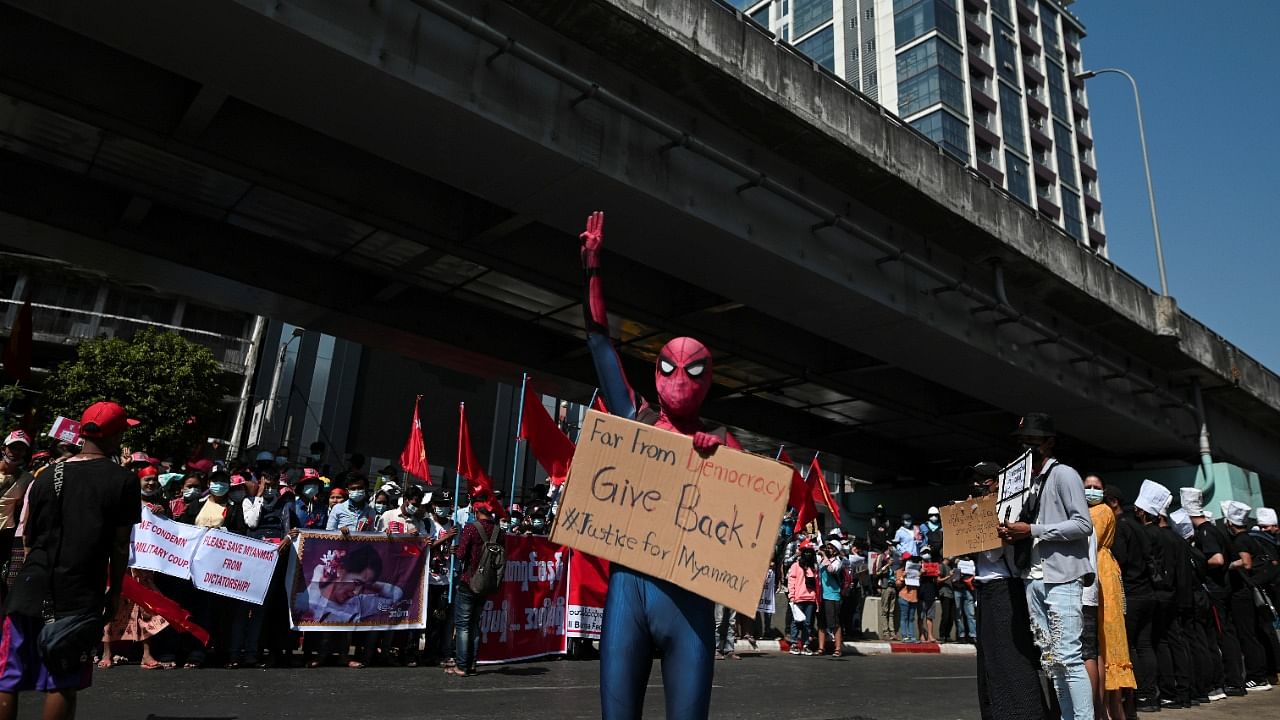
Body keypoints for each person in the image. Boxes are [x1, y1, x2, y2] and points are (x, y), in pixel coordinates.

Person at [577, 211, 741, 719]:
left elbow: (748, 513)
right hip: (630, 588)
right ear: (657, 369)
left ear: (707, 379)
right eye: (669, 368)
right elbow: (600, 342)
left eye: (692, 372)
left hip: (688, 598)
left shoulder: (721, 441)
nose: (679, 381)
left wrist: (719, 464)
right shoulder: (637, 416)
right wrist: (592, 269)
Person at [1, 401, 141, 720]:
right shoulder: (123, 481)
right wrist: (115, 591)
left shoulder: (48, 475)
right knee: (61, 680)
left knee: (8, 677)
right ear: (115, 435)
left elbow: (29, 536)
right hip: (77, 592)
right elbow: (120, 545)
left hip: (30, 585)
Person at [997, 413, 1093, 720]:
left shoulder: (1064, 475)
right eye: (1022, 441)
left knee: (1069, 657)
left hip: (1062, 576)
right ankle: (1067, 715)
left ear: (1049, 443)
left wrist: (1032, 530)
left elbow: (1082, 524)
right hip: (1033, 577)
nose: (1025, 447)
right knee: (1051, 659)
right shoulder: (1026, 481)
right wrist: (1012, 533)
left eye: (1032, 441)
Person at [972, 461, 1050, 720]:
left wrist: (978, 524)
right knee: (989, 657)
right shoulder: (979, 507)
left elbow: (993, 553)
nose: (979, 486)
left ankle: (1022, 713)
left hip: (1003, 586)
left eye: (985, 481)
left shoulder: (1008, 509)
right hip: (986, 588)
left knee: (1009, 657)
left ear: (997, 483)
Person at [100, 467, 171, 670]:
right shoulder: (123, 502)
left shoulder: (159, 506)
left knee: (146, 607)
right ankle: (107, 653)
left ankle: (147, 655)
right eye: (147, 480)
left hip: (144, 565)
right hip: (120, 562)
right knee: (112, 604)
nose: (151, 483)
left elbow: (169, 534)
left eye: (154, 480)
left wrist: (162, 515)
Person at [1182, 487, 1247, 697]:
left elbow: (1217, 559)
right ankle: (1236, 679)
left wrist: (1198, 564)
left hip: (1216, 591)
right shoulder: (1216, 529)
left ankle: (1233, 680)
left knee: (1223, 635)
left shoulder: (1205, 532)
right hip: (1224, 589)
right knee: (1228, 633)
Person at [1083, 474, 1135, 719]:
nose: (1092, 491)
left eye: (1096, 487)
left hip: (1102, 573)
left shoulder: (1101, 512)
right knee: (1101, 643)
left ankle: (1108, 710)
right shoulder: (1091, 511)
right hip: (1100, 570)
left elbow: (1088, 541)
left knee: (1106, 640)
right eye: (1087, 487)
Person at [1220, 500, 1272, 691]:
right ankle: (1261, 674)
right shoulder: (1251, 538)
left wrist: (1229, 565)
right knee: (1254, 633)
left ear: (1230, 524)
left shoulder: (1240, 540)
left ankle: (1256, 677)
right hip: (1250, 591)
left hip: (1242, 593)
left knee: (1247, 634)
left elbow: (1246, 562)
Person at [450, 495, 501, 677]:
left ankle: (462, 665)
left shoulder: (471, 528)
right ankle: (472, 663)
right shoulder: (497, 530)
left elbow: (462, 554)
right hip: (486, 583)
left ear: (476, 510)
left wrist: (454, 551)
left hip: (468, 580)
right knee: (475, 623)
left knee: (463, 624)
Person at [0, 431, 34, 602]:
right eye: (13, 448)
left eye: (21, 449)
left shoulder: (27, 479)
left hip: (5, 537)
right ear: (3, 448)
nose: (16, 453)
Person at [786, 541, 818, 655]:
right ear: (802, 553)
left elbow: (817, 585)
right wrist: (792, 596)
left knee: (808, 623)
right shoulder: (795, 566)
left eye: (810, 552)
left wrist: (817, 600)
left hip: (811, 599)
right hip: (798, 598)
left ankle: (805, 645)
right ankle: (794, 643)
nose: (808, 554)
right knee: (796, 622)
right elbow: (791, 581)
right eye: (806, 552)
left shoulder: (814, 567)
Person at [818, 540, 844, 656]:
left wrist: (824, 556)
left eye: (830, 548)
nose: (828, 549)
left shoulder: (837, 562)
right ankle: (821, 648)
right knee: (821, 623)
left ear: (835, 551)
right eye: (827, 547)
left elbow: (831, 569)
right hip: (821, 595)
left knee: (834, 623)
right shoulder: (822, 560)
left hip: (832, 596)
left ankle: (838, 648)